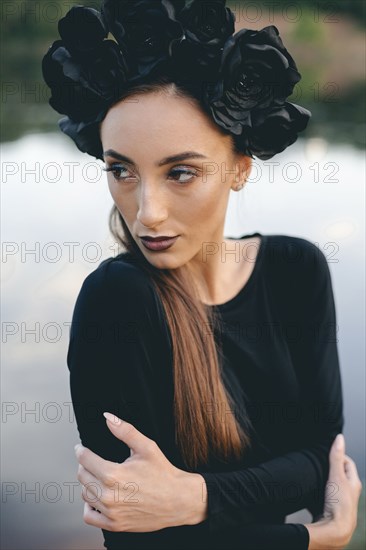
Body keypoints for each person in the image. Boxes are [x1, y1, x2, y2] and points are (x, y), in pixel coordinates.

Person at [42, 2, 362, 549]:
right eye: (121, 170)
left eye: (181, 172)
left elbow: (320, 461)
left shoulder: (295, 270)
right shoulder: (115, 302)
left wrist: (193, 498)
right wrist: (312, 540)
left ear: (240, 167)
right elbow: (137, 533)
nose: (147, 213)